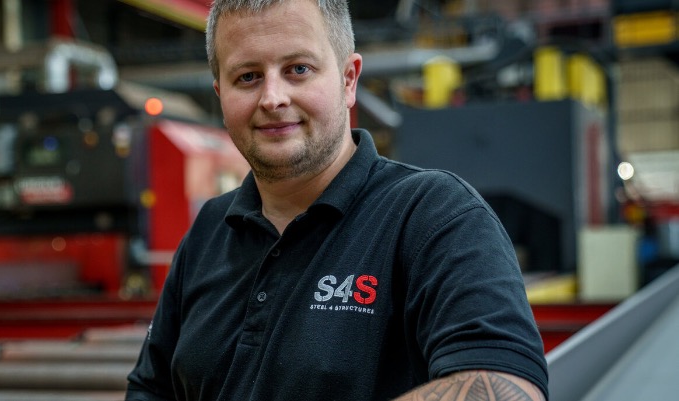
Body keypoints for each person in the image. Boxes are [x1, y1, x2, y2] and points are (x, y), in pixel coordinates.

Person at [126, 0, 549, 400]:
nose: (272, 98)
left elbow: (504, 386)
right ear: (221, 95)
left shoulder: (436, 215)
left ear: (348, 79)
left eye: (298, 69)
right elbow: (151, 388)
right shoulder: (209, 229)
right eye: (248, 77)